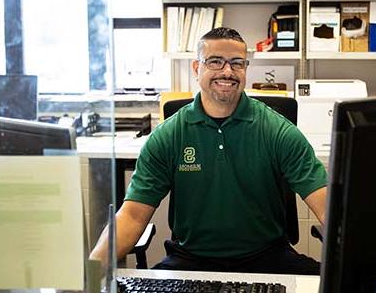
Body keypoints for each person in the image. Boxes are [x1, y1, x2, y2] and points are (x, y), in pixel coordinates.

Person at [89, 27, 328, 275]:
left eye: (237, 63)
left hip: (268, 258)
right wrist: (92, 272)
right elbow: (132, 217)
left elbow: (325, 202)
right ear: (196, 68)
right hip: (191, 260)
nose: (227, 71)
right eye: (215, 62)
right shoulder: (169, 135)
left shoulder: (278, 131)